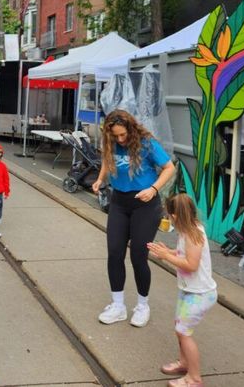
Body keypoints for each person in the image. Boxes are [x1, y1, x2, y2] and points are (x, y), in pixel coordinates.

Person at [92, 109, 175, 328]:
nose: (120, 139)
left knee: (139, 255)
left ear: (131, 128)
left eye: (123, 135)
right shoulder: (110, 142)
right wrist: (100, 179)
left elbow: (169, 168)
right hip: (119, 202)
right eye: (116, 136)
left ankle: (142, 306)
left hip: (145, 204)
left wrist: (154, 189)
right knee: (115, 253)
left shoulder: (146, 143)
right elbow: (107, 160)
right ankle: (118, 306)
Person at [147, 193, 217, 387]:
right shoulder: (188, 230)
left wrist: (166, 256)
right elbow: (184, 254)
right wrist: (167, 252)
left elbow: (191, 265)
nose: (168, 219)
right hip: (190, 290)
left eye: (169, 216)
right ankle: (185, 363)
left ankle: (194, 378)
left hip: (200, 294)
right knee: (180, 329)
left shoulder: (193, 234)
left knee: (184, 332)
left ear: (175, 216)